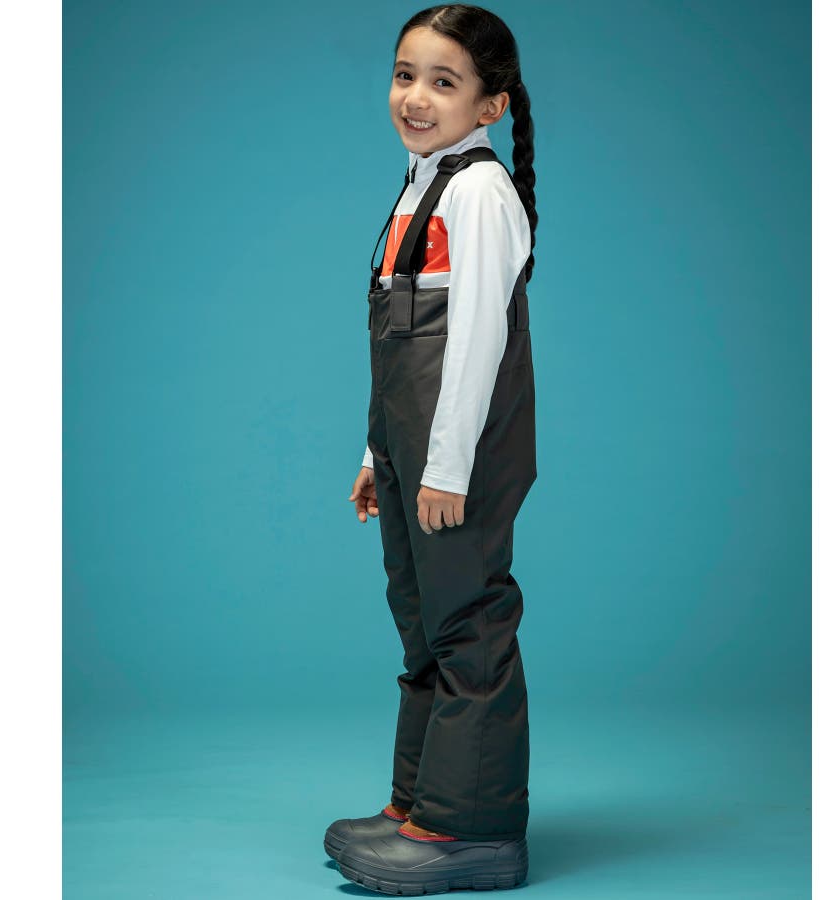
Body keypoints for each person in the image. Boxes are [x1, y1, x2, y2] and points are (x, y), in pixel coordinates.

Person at [325, 4, 538, 893]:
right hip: (412, 454)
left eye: (443, 82)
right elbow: (400, 353)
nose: (415, 96)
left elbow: (477, 341)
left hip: (460, 458)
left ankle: (471, 830)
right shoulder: (420, 186)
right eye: (405, 74)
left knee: (465, 625)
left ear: (490, 106)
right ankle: (417, 805)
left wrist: (446, 468)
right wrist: (377, 455)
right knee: (421, 622)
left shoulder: (480, 192)